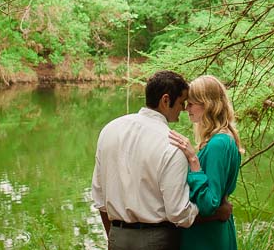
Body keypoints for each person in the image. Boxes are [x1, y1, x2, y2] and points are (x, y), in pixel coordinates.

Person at [91, 70, 231, 250]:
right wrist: (216, 214)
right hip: (156, 241)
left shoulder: (109, 130)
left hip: (117, 237)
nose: (183, 108)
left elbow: (100, 198)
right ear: (165, 100)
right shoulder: (172, 144)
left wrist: (113, 236)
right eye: (181, 102)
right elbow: (178, 214)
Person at [168, 75, 244, 250]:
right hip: (213, 233)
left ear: (207, 104)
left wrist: (193, 160)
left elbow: (210, 203)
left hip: (206, 238)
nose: (187, 108)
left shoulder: (218, 143)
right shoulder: (224, 139)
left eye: (192, 103)